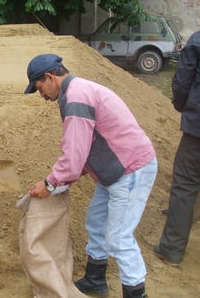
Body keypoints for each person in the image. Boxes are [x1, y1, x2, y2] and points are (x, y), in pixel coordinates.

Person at [24, 54, 157, 298]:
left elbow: (74, 153)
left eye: (39, 87)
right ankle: (96, 279)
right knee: (96, 221)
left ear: (49, 77)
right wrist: (64, 179)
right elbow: (86, 145)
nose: (41, 94)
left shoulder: (76, 97)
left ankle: (136, 293)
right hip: (112, 171)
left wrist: (50, 183)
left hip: (130, 169)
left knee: (119, 237)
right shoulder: (76, 91)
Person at [154, 31, 200, 266]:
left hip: (197, 131)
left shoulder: (197, 40)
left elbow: (182, 83)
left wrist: (183, 107)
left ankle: (171, 249)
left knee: (185, 185)